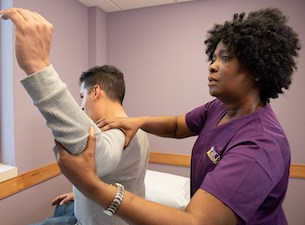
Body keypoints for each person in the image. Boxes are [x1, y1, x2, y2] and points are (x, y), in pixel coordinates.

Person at [53, 8, 301, 225]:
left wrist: (91, 186)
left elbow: (196, 222)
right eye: (213, 57)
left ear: (257, 69)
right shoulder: (220, 108)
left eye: (225, 58)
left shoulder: (259, 145)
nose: (212, 66)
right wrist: (137, 121)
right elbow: (176, 126)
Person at [0, 8, 150, 225]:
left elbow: (100, 158)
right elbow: (119, 179)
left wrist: (38, 67)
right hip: (83, 213)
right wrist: (79, 196)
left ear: (96, 92)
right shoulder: (139, 131)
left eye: (83, 96)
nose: (81, 106)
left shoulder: (124, 132)